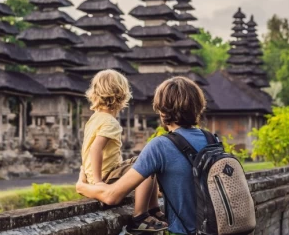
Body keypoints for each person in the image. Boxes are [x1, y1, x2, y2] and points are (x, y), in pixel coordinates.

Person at [77, 76, 207, 235]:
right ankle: (153, 210)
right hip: (218, 228)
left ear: (162, 110)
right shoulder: (212, 139)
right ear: (199, 106)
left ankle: (140, 217)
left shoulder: (159, 145)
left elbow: (111, 197)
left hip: (185, 232)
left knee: (142, 164)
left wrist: (82, 187)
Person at [81, 69, 167, 232]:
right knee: (147, 165)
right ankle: (140, 216)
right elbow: (95, 148)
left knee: (143, 160)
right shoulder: (110, 122)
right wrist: (99, 182)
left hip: (96, 173)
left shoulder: (94, 118)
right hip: (106, 175)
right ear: (122, 95)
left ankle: (153, 208)